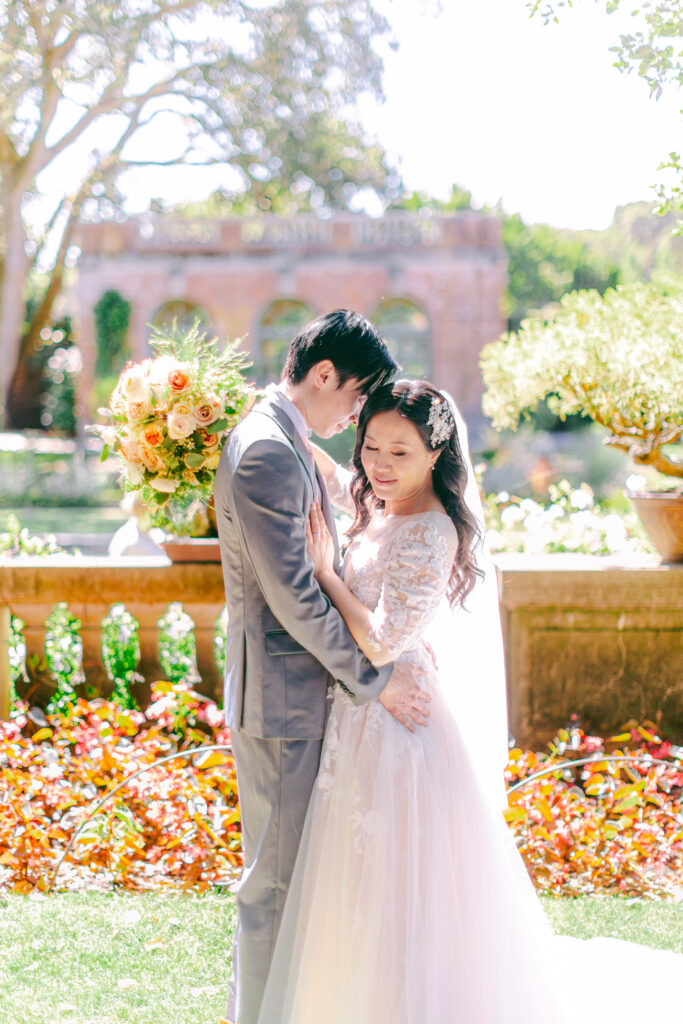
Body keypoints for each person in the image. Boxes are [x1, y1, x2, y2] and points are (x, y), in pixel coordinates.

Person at [256, 378, 683, 1024]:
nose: (379, 464)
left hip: (402, 729)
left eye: (399, 453)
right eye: (370, 446)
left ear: (435, 453)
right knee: (350, 888)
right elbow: (333, 475)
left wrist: (322, 572)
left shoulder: (430, 531)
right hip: (356, 720)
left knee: (403, 891)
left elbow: (379, 642)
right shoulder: (376, 504)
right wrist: (280, 411)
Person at [214, 311, 431, 1024]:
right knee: (273, 889)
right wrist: (375, 682)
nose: (352, 418)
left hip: (298, 697)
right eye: (354, 397)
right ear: (323, 374)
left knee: (294, 885)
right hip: (283, 700)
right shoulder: (268, 452)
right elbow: (296, 601)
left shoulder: (285, 440)